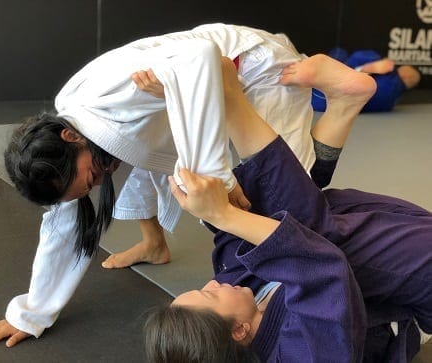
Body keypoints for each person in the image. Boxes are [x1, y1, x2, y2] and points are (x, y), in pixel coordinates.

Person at [0, 34, 373, 348]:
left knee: (290, 195)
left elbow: (201, 56)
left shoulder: (102, 98)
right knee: (139, 163)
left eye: (86, 178)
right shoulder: (79, 141)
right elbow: (64, 226)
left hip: (252, 66)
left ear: (71, 136)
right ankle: (154, 245)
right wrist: (28, 315)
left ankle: (342, 101)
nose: (95, 185)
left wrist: (218, 179)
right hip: (192, 98)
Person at [144, 56, 432, 362]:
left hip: (380, 233)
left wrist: (190, 115)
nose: (213, 283)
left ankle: (335, 105)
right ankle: (232, 97)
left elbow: (241, 228)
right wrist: (222, 215)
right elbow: (320, 266)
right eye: (210, 294)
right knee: (307, 238)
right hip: (422, 270)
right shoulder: (305, 355)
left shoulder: (237, 294)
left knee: (270, 220)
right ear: (239, 331)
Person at [312, 48, 422, 113]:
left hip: (323, 95)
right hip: (326, 103)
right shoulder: (389, 105)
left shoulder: (390, 77)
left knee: (339, 52)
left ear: (407, 75)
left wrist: (367, 68)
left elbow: (351, 82)